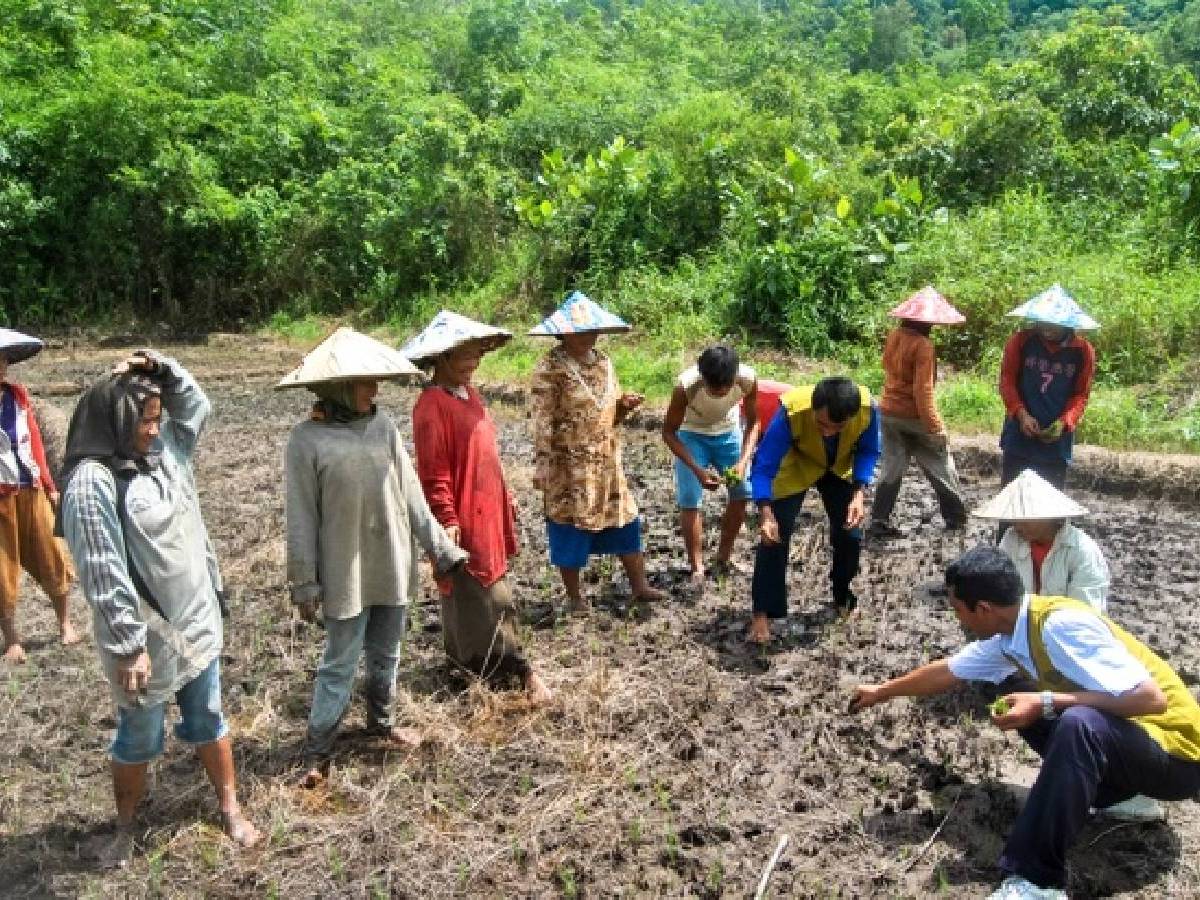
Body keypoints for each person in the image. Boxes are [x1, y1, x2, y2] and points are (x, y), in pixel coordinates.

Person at [850, 545, 1200, 900]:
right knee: (1008, 690)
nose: (958, 620)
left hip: (1179, 758)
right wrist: (882, 691)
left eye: (958, 610)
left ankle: (1038, 882)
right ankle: (1118, 797)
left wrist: (1047, 701)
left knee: (1078, 721)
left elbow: (1150, 699)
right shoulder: (1012, 636)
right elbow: (948, 671)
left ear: (984, 609)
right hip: (1136, 748)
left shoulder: (1060, 625)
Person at [59, 350, 260, 866]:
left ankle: (230, 806)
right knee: (139, 736)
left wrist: (164, 369)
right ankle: (125, 829)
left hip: (196, 621)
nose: (154, 428)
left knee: (208, 716)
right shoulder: (92, 482)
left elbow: (197, 408)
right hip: (147, 640)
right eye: (144, 420)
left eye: (155, 418)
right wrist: (128, 647)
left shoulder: (167, 452)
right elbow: (103, 571)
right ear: (118, 418)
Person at [280, 328, 467, 785]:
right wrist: (304, 582)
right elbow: (300, 518)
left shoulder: (383, 427)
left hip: (390, 556)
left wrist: (440, 547)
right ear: (338, 387)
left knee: (387, 651)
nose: (373, 390)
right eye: (364, 383)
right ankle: (318, 747)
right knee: (340, 659)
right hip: (345, 567)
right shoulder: (306, 441)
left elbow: (412, 496)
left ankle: (379, 724)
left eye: (373, 381)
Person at [402, 311, 552, 705]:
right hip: (463, 512)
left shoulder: (470, 394)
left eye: (476, 355)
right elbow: (433, 471)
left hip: (488, 505)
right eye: (464, 356)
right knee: (483, 592)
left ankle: (477, 669)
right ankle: (517, 671)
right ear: (442, 359)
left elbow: (486, 450)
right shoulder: (431, 405)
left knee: (482, 586)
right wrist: (446, 519)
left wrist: (505, 493)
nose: (473, 363)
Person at [529, 291, 668, 614]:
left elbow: (609, 414)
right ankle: (574, 597)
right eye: (582, 331)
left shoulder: (604, 362)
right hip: (569, 466)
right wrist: (543, 463)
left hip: (606, 461)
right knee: (569, 526)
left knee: (624, 519)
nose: (589, 336)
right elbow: (541, 420)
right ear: (563, 332)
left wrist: (624, 406)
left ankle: (639, 586)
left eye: (593, 330)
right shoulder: (549, 368)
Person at [748, 376, 881, 642]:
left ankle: (843, 596)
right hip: (796, 463)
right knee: (775, 534)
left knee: (850, 534)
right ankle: (762, 613)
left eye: (837, 427)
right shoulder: (793, 411)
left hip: (838, 467)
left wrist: (858, 492)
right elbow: (763, 465)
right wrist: (765, 510)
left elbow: (868, 451)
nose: (827, 432)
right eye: (821, 424)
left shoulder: (867, 410)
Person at [1, 328, 78, 662]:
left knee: (53, 553)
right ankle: (13, 640)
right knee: (1, 568)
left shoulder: (17, 396)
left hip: (30, 487)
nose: (1, 366)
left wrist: (49, 485)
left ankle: (65, 624)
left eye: (3, 360)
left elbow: (33, 441)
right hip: (1, 497)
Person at [867, 287, 968, 539]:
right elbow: (922, 391)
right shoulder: (923, 345)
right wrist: (935, 427)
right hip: (913, 416)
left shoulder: (894, 336)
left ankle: (879, 519)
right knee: (940, 462)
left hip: (888, 411)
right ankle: (956, 518)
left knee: (891, 467)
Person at [661, 344, 759, 587]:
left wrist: (742, 462)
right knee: (690, 499)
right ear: (702, 377)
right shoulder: (685, 387)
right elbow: (669, 433)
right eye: (713, 387)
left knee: (742, 492)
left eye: (725, 386)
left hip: (728, 433)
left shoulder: (747, 380)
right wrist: (697, 469)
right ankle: (697, 566)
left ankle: (724, 558)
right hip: (692, 434)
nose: (720, 392)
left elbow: (755, 424)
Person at [999, 285, 1098, 491]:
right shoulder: (1021, 341)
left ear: (1067, 323)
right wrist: (1021, 414)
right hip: (1019, 431)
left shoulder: (1082, 351)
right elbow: (1007, 381)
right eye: (1043, 321)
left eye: (1054, 323)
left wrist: (1066, 421)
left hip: (1056, 438)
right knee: (1012, 498)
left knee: (1050, 503)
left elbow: (1080, 394)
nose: (1047, 327)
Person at [975, 470, 1110, 612]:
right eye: (1014, 519)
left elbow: (1086, 613)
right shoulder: (1011, 540)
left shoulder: (1081, 551)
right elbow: (997, 589)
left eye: (1025, 519)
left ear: (1047, 516)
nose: (1017, 525)